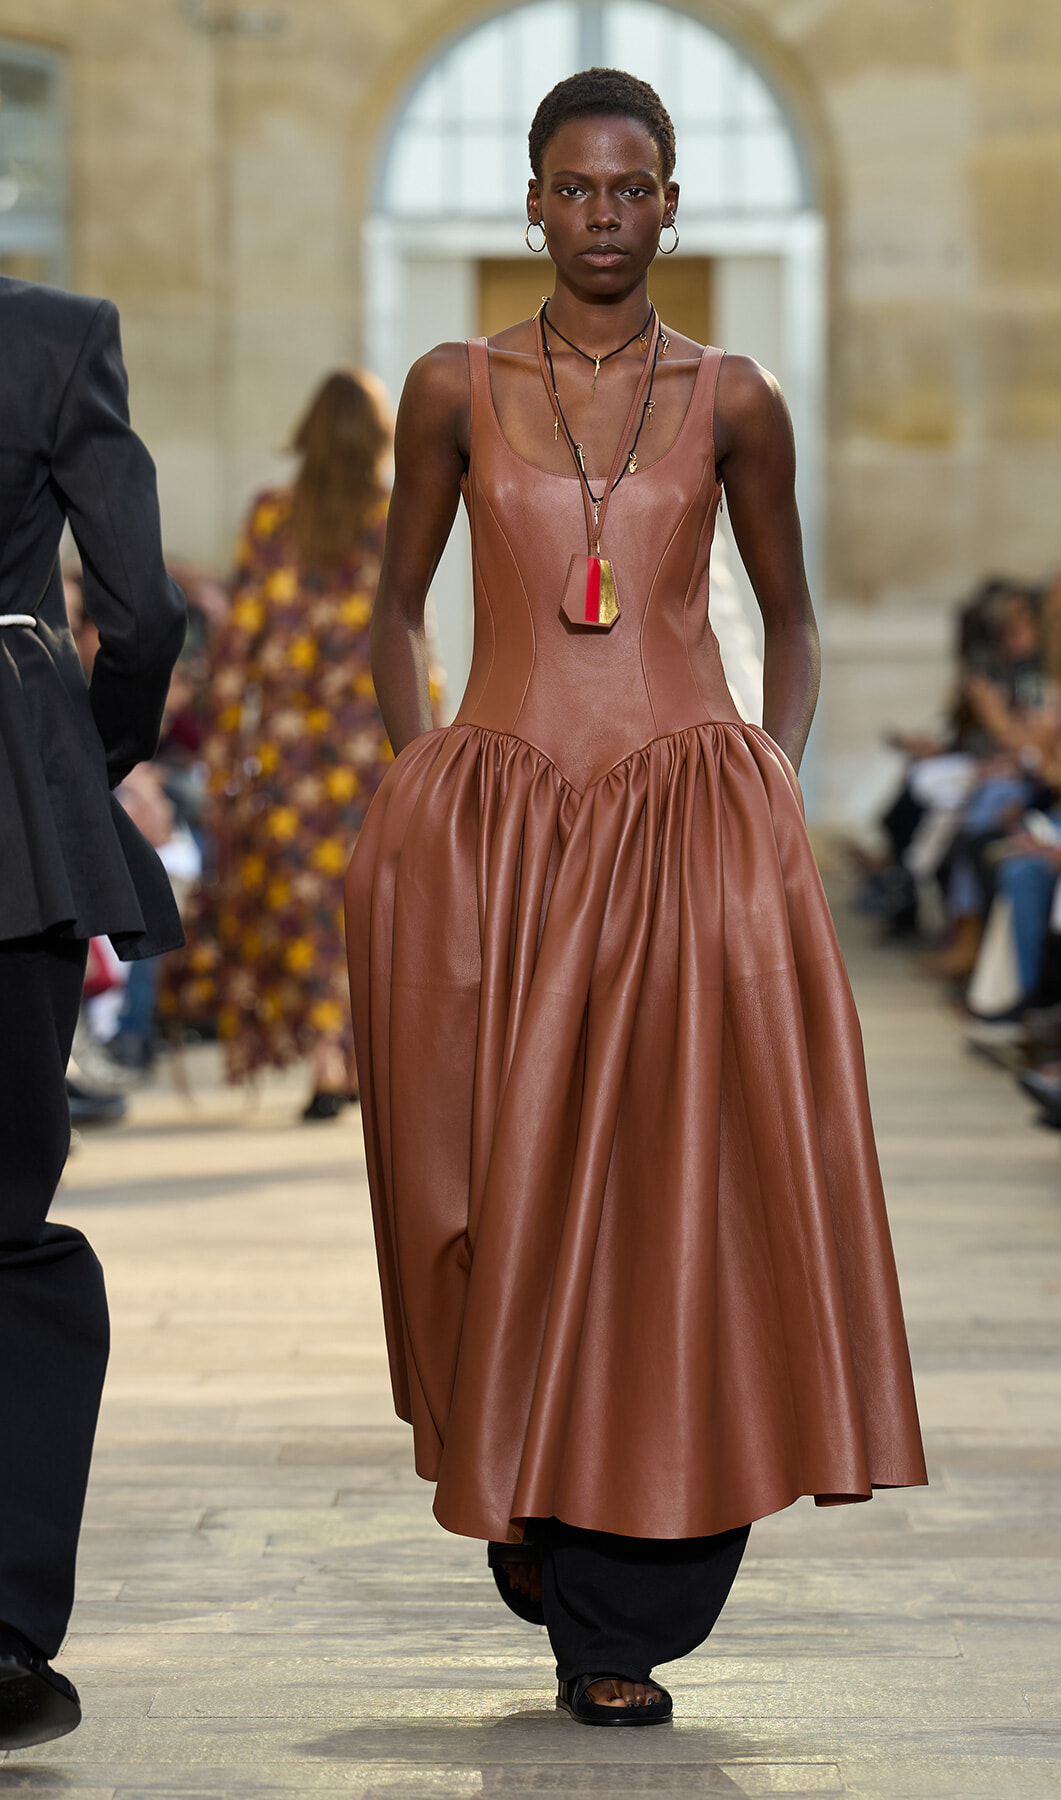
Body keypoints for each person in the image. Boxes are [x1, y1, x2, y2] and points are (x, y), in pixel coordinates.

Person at [345, 68, 926, 1726]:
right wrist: (421, 776)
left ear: (673, 204)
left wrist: (770, 778)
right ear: (530, 203)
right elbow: (395, 610)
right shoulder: (452, 387)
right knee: (489, 1189)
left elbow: (791, 621)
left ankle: (621, 1615)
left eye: (634, 189)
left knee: (681, 1205)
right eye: (576, 189)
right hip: (507, 834)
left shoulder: (737, 398)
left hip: (684, 832)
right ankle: (518, 1485)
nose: (605, 216)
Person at [0, 277, 186, 1747]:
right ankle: (1, 1631)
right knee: (5, 1227)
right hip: (7, 810)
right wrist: (79, 752)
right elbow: (141, 604)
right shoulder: (51, 337)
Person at [164, 371, 399, 1117]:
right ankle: (356, 1059)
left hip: (294, 753)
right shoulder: (391, 516)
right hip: (371, 744)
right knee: (367, 901)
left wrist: (229, 748)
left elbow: (238, 644)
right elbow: (407, 635)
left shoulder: (271, 516)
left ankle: (330, 1057)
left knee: (307, 903)